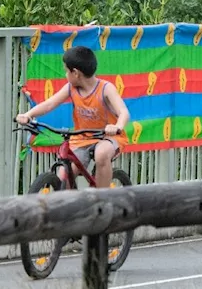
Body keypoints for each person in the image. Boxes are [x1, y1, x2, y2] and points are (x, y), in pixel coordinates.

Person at [16, 45, 129, 187]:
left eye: (66, 71)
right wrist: (28, 114)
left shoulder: (106, 88)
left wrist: (117, 126)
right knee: (64, 174)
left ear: (75, 73)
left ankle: (102, 198)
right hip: (82, 139)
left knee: (101, 154)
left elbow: (124, 112)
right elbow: (50, 104)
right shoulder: (71, 87)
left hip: (108, 137)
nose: (65, 75)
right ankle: (68, 205)